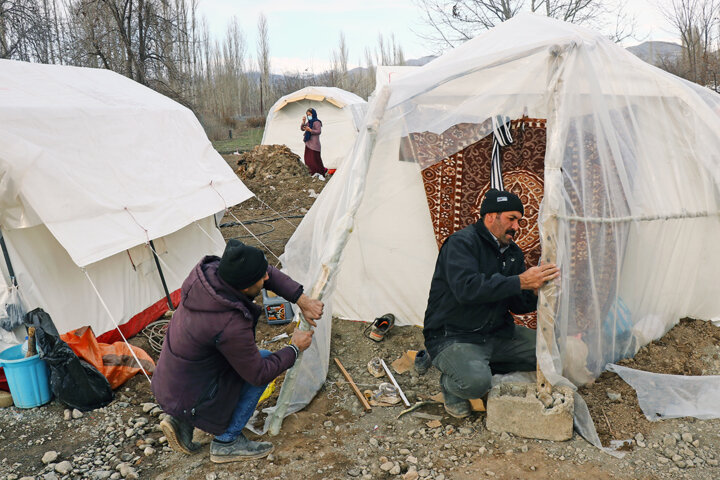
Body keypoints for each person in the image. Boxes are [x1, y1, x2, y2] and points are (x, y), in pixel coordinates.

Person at [152, 239, 324, 463]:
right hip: (192, 387)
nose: (267, 278)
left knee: (246, 362)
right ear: (245, 287)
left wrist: (301, 299)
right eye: (261, 278)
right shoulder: (229, 322)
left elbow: (265, 272)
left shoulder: (211, 275)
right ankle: (227, 441)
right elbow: (258, 373)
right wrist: (294, 347)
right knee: (262, 366)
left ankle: (182, 418)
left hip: (174, 379)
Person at [422, 189, 560, 418]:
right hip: (454, 335)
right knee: (476, 384)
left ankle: (479, 364)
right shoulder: (461, 244)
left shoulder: (513, 253)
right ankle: (451, 385)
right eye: (511, 219)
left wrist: (534, 291)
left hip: (496, 333)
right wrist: (520, 281)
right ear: (490, 216)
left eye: (519, 221)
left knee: (550, 354)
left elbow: (516, 304)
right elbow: (467, 289)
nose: (516, 227)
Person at [300, 107, 328, 177]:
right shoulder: (309, 122)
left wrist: (310, 130)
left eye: (309, 114)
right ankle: (312, 172)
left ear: (313, 114)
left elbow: (318, 131)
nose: (308, 116)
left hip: (314, 144)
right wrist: (303, 122)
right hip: (308, 143)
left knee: (315, 160)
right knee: (308, 159)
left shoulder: (317, 122)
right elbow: (302, 128)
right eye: (307, 115)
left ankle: (320, 172)